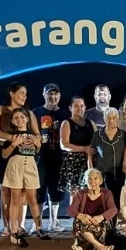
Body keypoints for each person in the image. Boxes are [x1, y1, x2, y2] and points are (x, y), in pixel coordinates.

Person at [0, 83, 39, 235]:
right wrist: (12, 138)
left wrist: (35, 141)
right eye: (22, 93)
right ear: (12, 93)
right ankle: (7, 226)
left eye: (26, 93)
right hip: (6, 153)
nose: (24, 96)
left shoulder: (29, 113)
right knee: (6, 191)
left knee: (22, 193)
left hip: (24, 156)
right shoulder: (0, 110)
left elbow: (37, 134)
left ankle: (19, 226)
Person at [1, 108, 45, 246]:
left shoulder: (34, 135)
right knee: (15, 198)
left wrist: (38, 146)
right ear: (13, 121)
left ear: (27, 119)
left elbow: (36, 152)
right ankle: (14, 229)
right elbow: (4, 155)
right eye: (16, 118)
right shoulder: (12, 136)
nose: (20, 120)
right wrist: (14, 143)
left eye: (22, 117)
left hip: (30, 164)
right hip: (16, 165)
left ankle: (39, 228)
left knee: (32, 197)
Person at [32, 83, 70, 232]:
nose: (52, 97)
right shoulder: (36, 113)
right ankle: (38, 223)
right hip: (40, 158)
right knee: (38, 190)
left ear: (59, 96)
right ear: (44, 95)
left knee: (56, 190)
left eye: (55, 94)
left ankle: (54, 221)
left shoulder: (65, 114)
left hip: (59, 158)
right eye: (49, 94)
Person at [68, 168, 116, 250]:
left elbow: (113, 209)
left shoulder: (107, 193)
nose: (92, 181)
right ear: (86, 181)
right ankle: (101, 247)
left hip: (101, 225)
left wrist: (101, 217)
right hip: (85, 224)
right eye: (89, 179)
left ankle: (83, 247)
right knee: (78, 221)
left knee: (103, 223)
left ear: (101, 181)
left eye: (95, 178)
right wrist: (80, 215)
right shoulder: (80, 193)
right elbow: (71, 210)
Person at [89, 107, 126, 206]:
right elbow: (91, 153)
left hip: (117, 173)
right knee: (101, 201)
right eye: (108, 118)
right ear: (104, 119)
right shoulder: (97, 135)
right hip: (101, 174)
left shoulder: (123, 134)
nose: (111, 120)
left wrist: (125, 164)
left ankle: (114, 221)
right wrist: (91, 171)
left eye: (114, 118)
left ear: (117, 118)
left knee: (116, 202)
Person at [59, 96, 96, 195]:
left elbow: (97, 141)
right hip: (73, 163)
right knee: (76, 197)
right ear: (70, 108)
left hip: (89, 161)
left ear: (85, 108)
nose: (79, 108)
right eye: (76, 106)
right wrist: (84, 149)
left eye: (81, 106)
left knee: (89, 194)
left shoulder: (91, 123)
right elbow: (64, 145)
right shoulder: (66, 123)